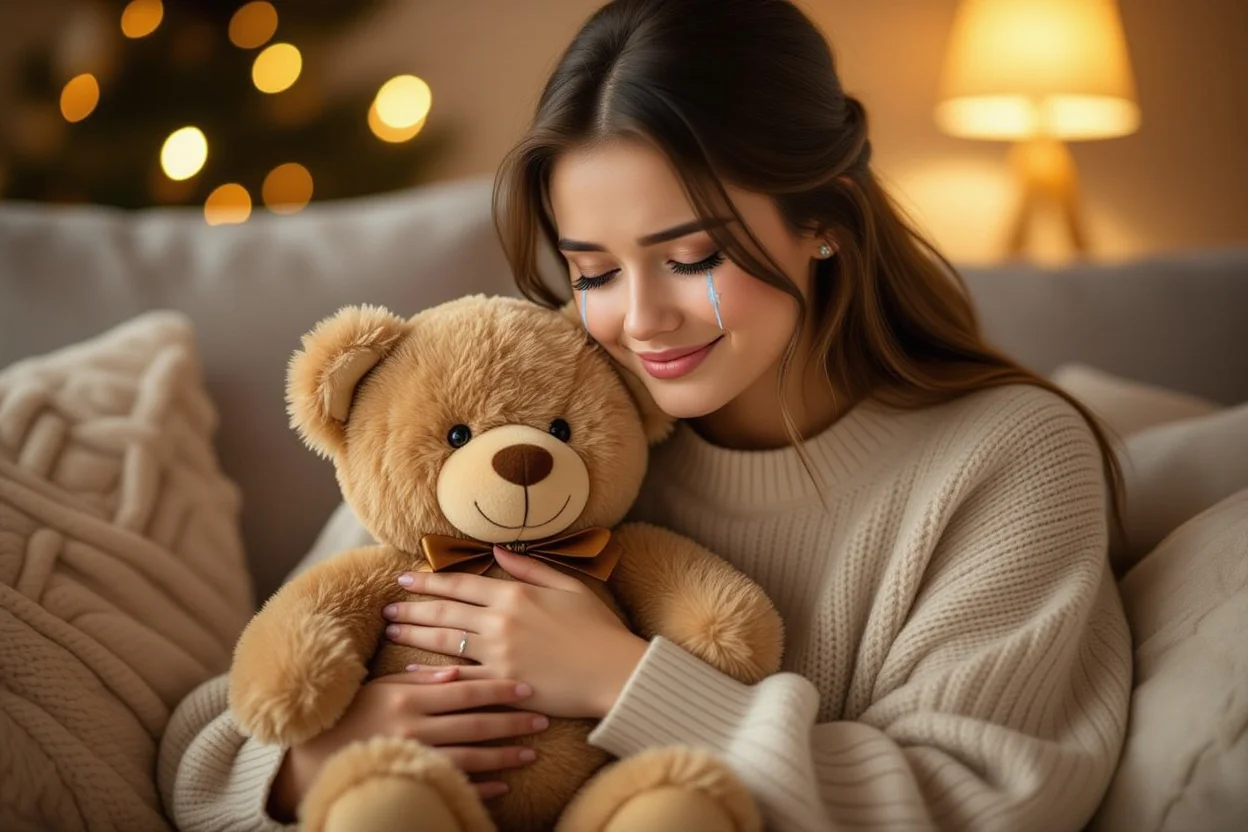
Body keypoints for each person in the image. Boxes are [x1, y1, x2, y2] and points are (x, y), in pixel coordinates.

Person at [158, 1, 1132, 830]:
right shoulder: (540, 418)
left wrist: (623, 680)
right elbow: (207, 746)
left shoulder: (1009, 456)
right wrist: (323, 758)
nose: (639, 320)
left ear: (826, 216)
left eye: (694, 256)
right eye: (591, 272)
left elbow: (985, 797)